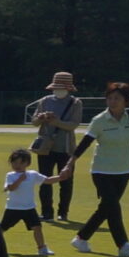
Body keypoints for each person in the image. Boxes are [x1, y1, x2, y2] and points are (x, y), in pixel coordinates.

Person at [62, 83, 129, 257]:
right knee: (113, 207)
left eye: (117, 98)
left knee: (106, 208)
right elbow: (84, 144)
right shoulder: (99, 120)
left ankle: (81, 238)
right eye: (110, 98)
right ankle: (123, 246)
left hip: (123, 170)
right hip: (102, 171)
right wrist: (70, 163)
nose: (112, 101)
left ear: (126, 101)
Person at [28, 71, 87, 222]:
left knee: (66, 182)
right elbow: (34, 122)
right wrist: (41, 118)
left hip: (66, 148)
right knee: (44, 180)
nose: (57, 90)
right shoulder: (45, 101)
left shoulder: (76, 103)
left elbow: (73, 124)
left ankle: (63, 212)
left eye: (61, 88)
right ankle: (46, 212)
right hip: (45, 147)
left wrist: (56, 122)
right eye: (56, 88)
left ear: (68, 88)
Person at [0, 150, 52, 257]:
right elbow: (11, 188)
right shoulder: (10, 175)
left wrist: (61, 177)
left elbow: (47, 180)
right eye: (14, 162)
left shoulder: (32, 174)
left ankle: (42, 248)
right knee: (2, 228)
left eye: (21, 163)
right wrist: (19, 180)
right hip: (13, 208)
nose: (17, 165)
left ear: (27, 163)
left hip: (29, 208)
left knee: (37, 227)